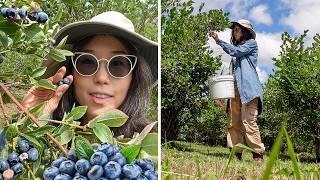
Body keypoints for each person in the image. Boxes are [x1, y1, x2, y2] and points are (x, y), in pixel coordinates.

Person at [22, 11, 158, 138]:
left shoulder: (149, 147)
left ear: (134, 77)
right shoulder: (49, 135)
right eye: (87, 62)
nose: (101, 78)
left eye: (117, 64)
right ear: (71, 71)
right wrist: (28, 123)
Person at [209, 19, 265, 162]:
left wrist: (218, 40)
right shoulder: (237, 52)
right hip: (235, 90)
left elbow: (235, 51)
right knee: (234, 122)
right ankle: (236, 152)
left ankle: (257, 153)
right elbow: (232, 73)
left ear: (245, 32)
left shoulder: (251, 44)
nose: (234, 32)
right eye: (233, 30)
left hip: (248, 90)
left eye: (237, 29)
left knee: (249, 121)